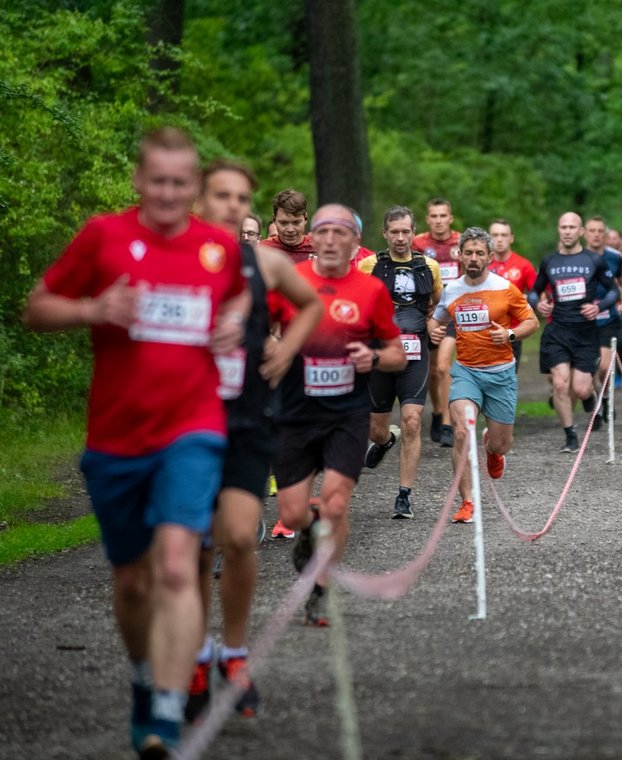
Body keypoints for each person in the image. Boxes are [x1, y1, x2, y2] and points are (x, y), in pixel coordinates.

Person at [22, 127, 248, 759]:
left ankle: (169, 719)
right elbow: (36, 308)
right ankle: (147, 679)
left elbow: (236, 298)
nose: (171, 194)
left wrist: (230, 326)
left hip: (193, 426)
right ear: (139, 182)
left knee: (178, 564)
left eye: (182, 183)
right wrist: (93, 310)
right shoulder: (104, 236)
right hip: (117, 437)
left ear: (195, 186)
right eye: (159, 182)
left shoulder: (215, 248)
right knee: (132, 582)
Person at [186, 159, 323, 720]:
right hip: (187, 417)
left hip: (245, 415)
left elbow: (311, 304)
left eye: (240, 198)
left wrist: (285, 349)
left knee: (240, 538)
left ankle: (234, 653)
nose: (230, 207)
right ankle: (196, 656)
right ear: (200, 202)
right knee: (198, 543)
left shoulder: (262, 262)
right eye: (221, 196)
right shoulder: (176, 258)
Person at [269, 204, 406, 626]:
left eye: (339, 232)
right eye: (322, 231)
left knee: (336, 503)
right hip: (294, 412)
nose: (330, 239)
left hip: (346, 413)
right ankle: (308, 534)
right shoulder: (291, 284)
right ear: (313, 239)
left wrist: (374, 356)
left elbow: (398, 354)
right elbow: (259, 329)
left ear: (354, 244)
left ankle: (321, 588)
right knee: (292, 514)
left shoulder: (370, 291)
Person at [428, 227, 539, 523]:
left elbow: (532, 321)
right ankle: (467, 501)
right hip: (466, 372)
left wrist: (512, 333)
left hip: (501, 374)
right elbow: (435, 319)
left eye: (479, 253)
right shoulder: (451, 290)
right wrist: (433, 330)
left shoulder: (505, 287)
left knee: (502, 443)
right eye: (468, 252)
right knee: (463, 431)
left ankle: (494, 449)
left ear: (489, 256)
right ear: (459, 255)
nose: (474, 258)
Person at [358, 206, 443, 519]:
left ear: (413, 233)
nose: (400, 237)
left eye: (406, 231)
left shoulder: (429, 266)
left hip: (415, 351)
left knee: (411, 420)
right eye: (394, 232)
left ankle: (404, 496)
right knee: (375, 430)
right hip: (381, 353)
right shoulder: (370, 265)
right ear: (385, 234)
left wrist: (434, 323)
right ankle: (385, 441)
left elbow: (437, 303)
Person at [529, 212, 620, 452]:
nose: (567, 231)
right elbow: (533, 292)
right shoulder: (549, 261)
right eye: (563, 227)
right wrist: (538, 303)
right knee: (560, 384)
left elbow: (614, 291)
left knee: (580, 388)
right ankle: (570, 436)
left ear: (580, 232)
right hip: (557, 331)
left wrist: (598, 306)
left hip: (585, 333)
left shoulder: (594, 260)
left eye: (572, 227)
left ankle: (591, 400)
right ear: (558, 230)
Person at [413, 198, 461, 447]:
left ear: (451, 218)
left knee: (444, 366)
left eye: (444, 215)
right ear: (428, 219)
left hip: (455, 314)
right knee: (432, 371)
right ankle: (438, 411)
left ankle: (447, 424)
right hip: (430, 314)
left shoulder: (461, 242)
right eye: (434, 216)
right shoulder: (418, 244)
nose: (439, 220)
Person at [584, 215, 622, 425]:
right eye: (592, 231)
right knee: (589, 367)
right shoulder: (577, 257)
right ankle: (596, 403)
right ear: (584, 233)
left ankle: (606, 397)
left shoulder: (614, 257)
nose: (596, 235)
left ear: (605, 234)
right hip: (584, 320)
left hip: (608, 318)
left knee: (603, 366)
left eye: (600, 231)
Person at [487, 218, 537, 371]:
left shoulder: (524, 265)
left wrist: (530, 301)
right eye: (495, 235)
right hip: (484, 332)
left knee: (507, 381)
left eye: (503, 235)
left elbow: (537, 293)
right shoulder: (482, 264)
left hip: (512, 331)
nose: (499, 240)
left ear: (511, 238)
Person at [259, 188, 312, 263]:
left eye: (296, 222)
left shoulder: (318, 247)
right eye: (283, 223)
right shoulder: (263, 250)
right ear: (274, 220)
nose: (290, 229)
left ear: (305, 219)